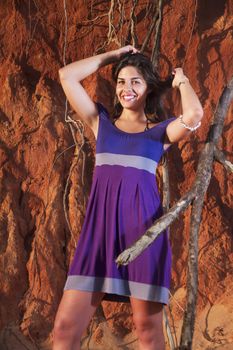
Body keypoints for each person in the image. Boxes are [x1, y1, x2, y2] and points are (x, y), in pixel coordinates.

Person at [53, 45, 203, 350]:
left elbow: (194, 114)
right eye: (121, 81)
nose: (126, 88)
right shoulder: (101, 123)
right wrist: (113, 56)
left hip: (142, 240)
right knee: (66, 328)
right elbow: (66, 76)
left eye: (135, 81)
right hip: (98, 237)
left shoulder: (159, 134)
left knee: (148, 333)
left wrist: (182, 80)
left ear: (148, 87)